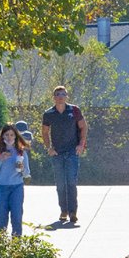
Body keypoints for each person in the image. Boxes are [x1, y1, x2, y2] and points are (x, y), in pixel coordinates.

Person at [41, 85, 87, 224]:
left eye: (63, 94)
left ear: (67, 96)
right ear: (54, 97)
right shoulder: (48, 113)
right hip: (57, 153)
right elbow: (44, 132)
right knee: (60, 184)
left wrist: (81, 144)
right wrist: (49, 147)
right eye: (58, 94)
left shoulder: (74, 110)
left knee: (71, 183)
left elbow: (84, 126)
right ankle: (64, 210)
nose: (60, 96)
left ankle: (73, 212)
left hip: (72, 152)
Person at [0, 124, 31, 236]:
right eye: (6, 135)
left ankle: (16, 246)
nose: (9, 137)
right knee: (1, 219)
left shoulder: (21, 151)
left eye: (12, 135)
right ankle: (1, 245)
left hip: (17, 187)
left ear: (16, 136)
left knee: (17, 217)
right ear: (2, 136)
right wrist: (0, 159)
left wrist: (22, 169)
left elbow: (27, 174)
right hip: (1, 187)